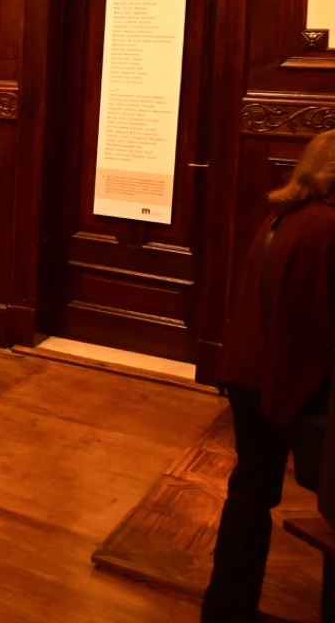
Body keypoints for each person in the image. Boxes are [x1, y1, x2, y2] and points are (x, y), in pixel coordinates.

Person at [203, 130, 335, 621]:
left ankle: (226, 609)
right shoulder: (328, 226)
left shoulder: (282, 216)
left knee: (249, 495)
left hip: (248, 375)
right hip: (293, 382)